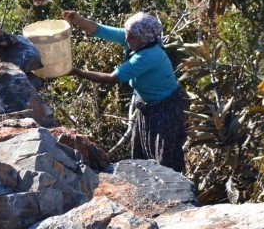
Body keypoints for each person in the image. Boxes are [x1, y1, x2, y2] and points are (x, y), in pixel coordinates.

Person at [62, 10, 188, 172]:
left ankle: (174, 194)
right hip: (147, 106)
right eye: (126, 34)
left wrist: (77, 72)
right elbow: (99, 30)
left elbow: (112, 78)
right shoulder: (137, 38)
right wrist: (78, 19)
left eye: (130, 36)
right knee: (142, 154)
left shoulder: (149, 56)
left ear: (143, 38)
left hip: (165, 110)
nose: (126, 39)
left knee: (166, 159)